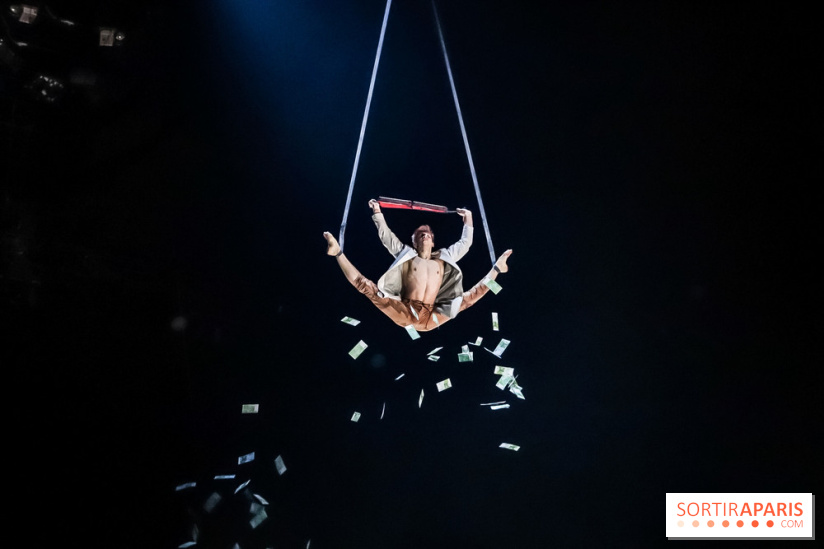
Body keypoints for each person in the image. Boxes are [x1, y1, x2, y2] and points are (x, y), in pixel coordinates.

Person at [323, 199, 512, 332]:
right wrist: (377, 213)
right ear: (413, 241)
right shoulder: (407, 254)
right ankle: (338, 253)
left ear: (433, 241)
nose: (425, 234)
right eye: (420, 233)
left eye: (428, 233)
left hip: (432, 314)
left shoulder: (444, 257)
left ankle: (497, 269)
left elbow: (465, 244)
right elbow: (387, 238)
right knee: (369, 290)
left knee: (468, 299)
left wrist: (468, 220)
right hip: (406, 311)